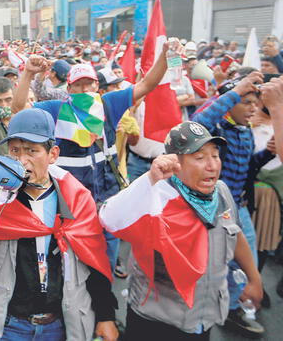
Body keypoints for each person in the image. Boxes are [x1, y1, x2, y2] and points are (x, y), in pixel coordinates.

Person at [0, 108, 117, 341]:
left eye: (32, 151)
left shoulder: (76, 199)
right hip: (7, 324)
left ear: (53, 154)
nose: (22, 160)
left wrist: (106, 315)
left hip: (60, 324)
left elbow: (94, 260)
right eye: (15, 150)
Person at [13, 41, 174, 272]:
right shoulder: (56, 110)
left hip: (106, 201)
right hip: (69, 205)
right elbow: (19, 109)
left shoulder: (109, 104)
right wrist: (28, 73)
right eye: (78, 85)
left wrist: (165, 57)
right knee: (69, 265)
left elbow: (147, 84)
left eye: (89, 83)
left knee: (104, 266)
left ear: (97, 86)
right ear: (69, 89)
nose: (84, 89)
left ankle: (102, 299)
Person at [99, 121, 263, 341]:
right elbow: (109, 218)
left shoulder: (221, 193)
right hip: (156, 322)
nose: (212, 165)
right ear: (175, 162)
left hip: (204, 318)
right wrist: (149, 179)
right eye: (199, 157)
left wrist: (254, 279)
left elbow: (235, 234)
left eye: (215, 155)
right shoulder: (156, 196)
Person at [191, 71, 275, 337]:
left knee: (242, 261)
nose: (253, 108)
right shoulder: (216, 131)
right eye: (246, 102)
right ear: (231, 103)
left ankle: (233, 308)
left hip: (238, 208)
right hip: (213, 210)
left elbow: (247, 168)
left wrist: (266, 154)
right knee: (212, 263)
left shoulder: (245, 130)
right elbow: (198, 121)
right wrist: (235, 91)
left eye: (255, 103)